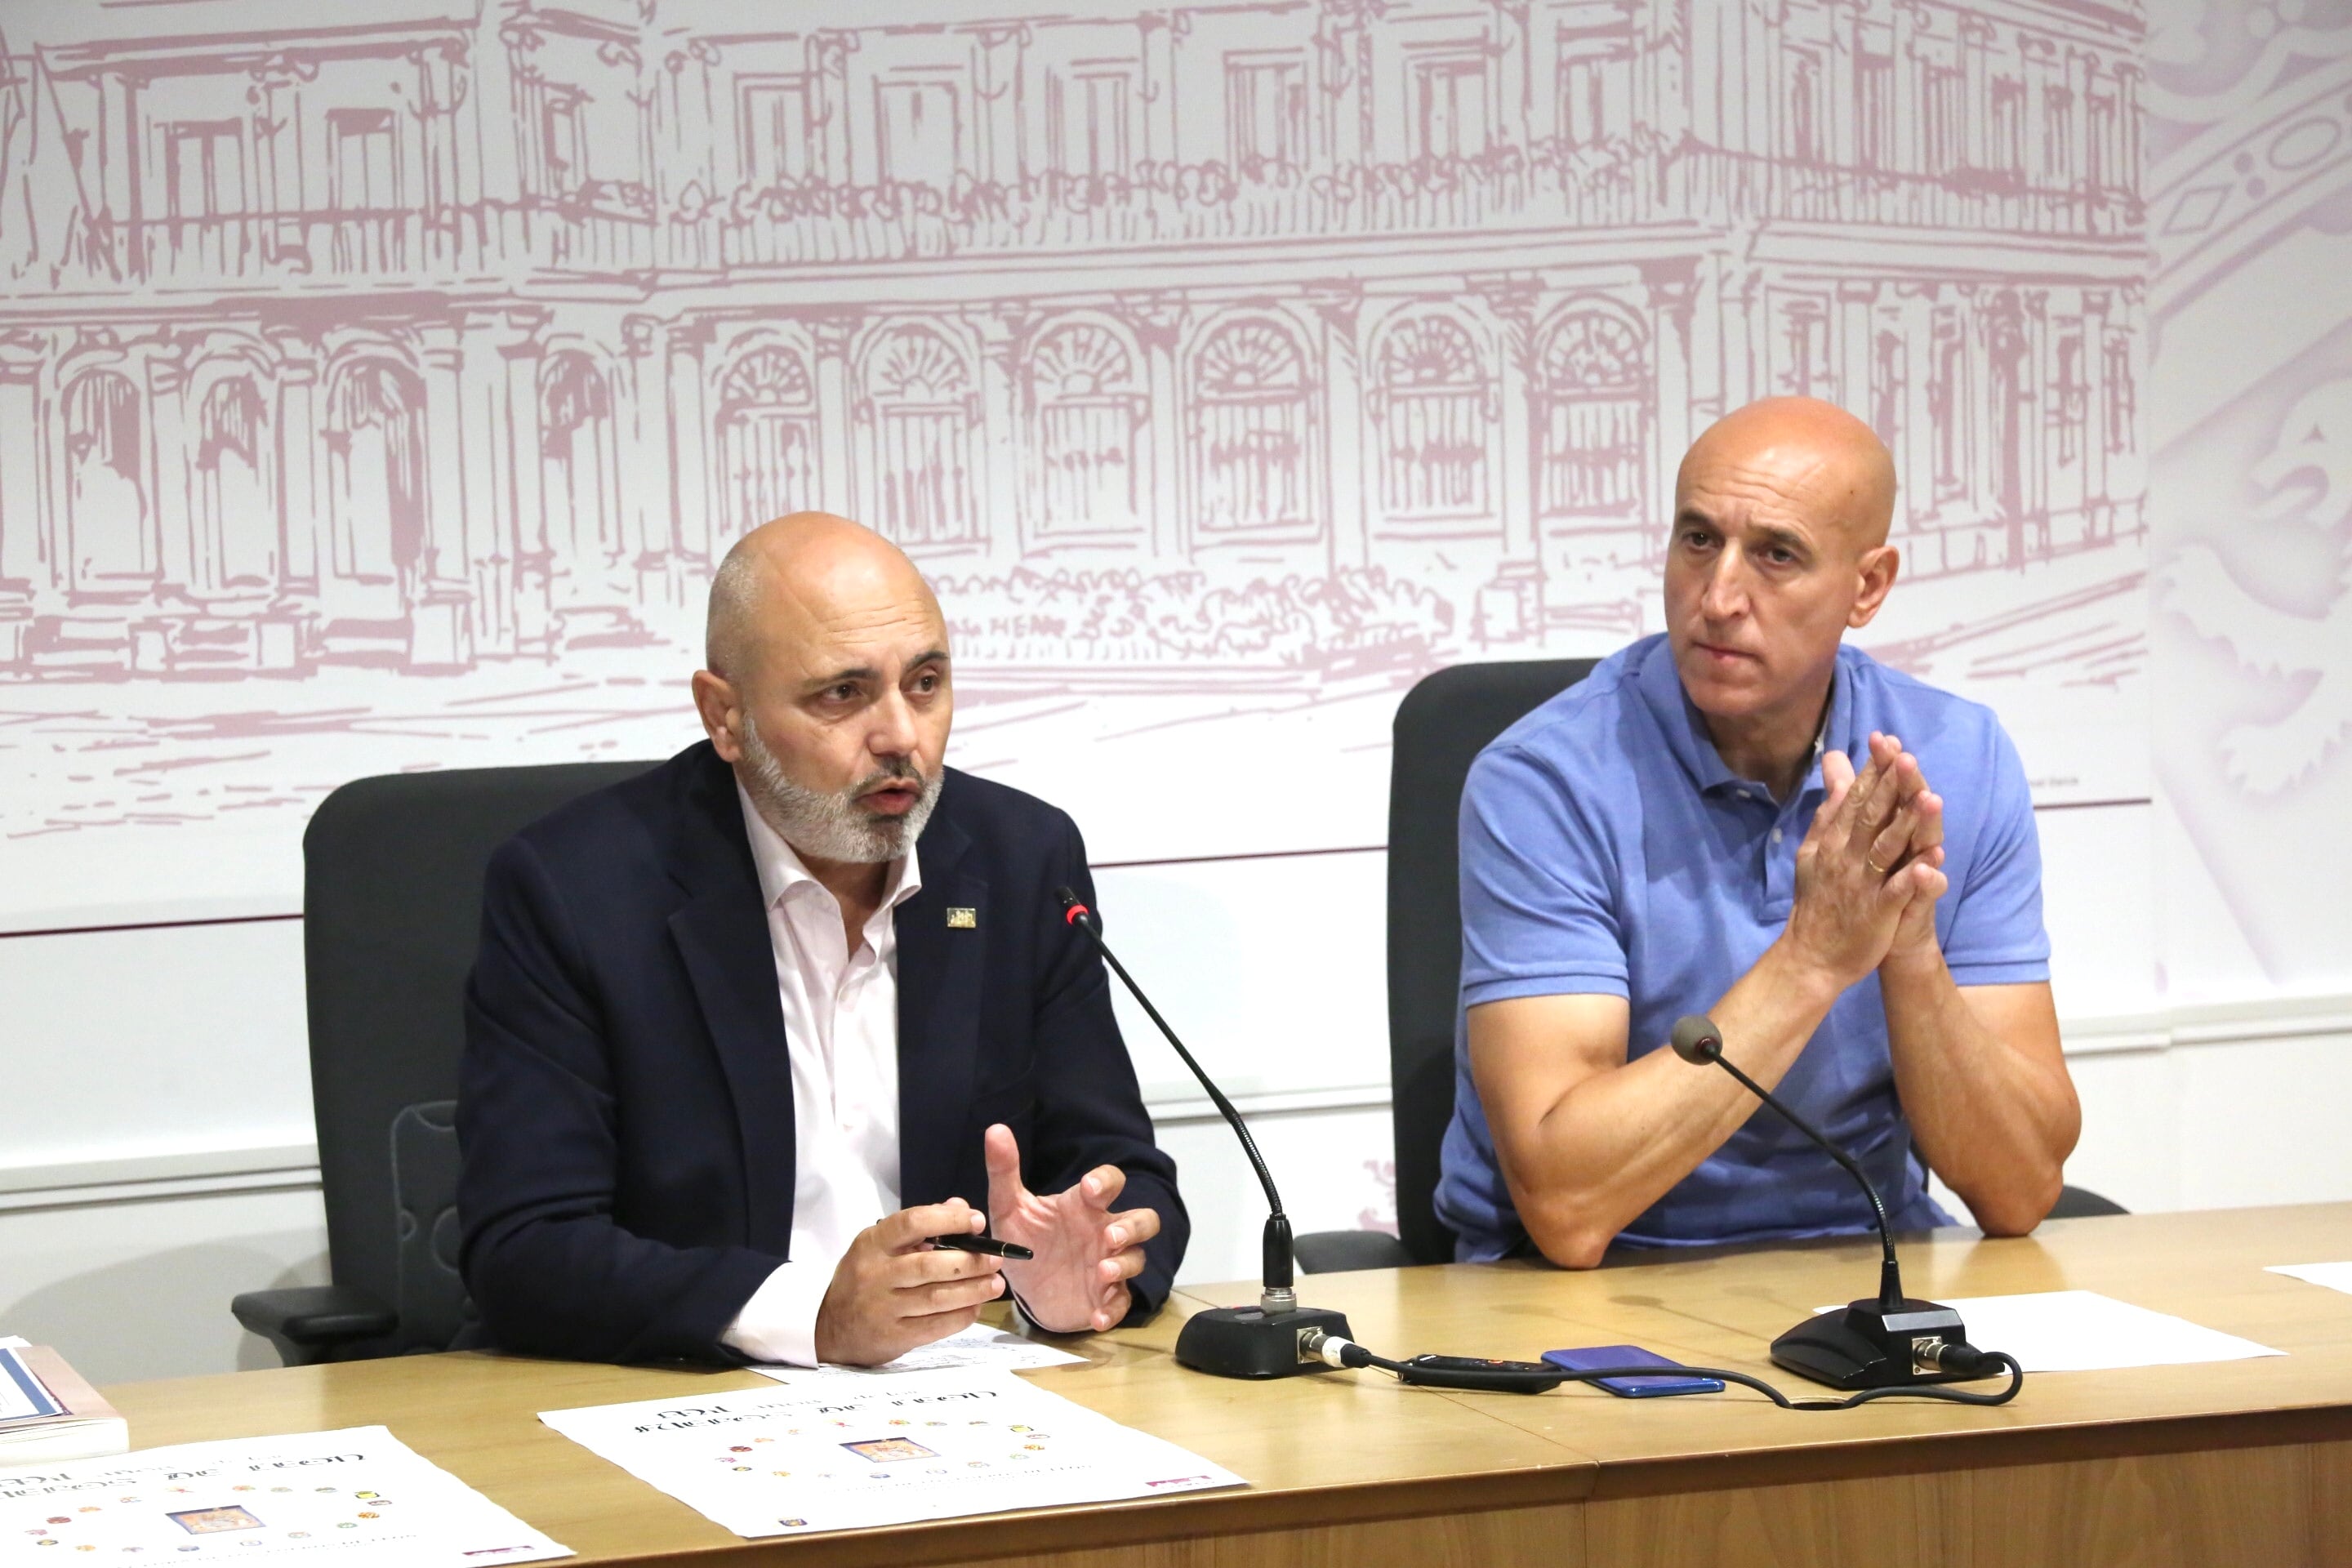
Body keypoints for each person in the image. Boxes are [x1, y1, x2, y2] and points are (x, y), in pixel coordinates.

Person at [457, 511, 1186, 1365]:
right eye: (843, 694)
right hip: (681, 1393)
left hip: (968, 1396)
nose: (900, 738)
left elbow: (1121, 1176)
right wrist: (813, 1317)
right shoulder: (575, 888)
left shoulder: (1023, 861)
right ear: (724, 717)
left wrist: (1081, 1278)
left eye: (925, 683)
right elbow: (526, 1248)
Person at [1436, 397, 2080, 1266]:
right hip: (1579, 1296)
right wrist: (1815, 957)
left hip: (1870, 1276)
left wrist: (1909, 947)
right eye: (1698, 539)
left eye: (1777, 555)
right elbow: (1567, 1202)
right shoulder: (1546, 781)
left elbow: (2020, 1189)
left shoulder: (1959, 760)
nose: (1719, 597)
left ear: (1869, 587)